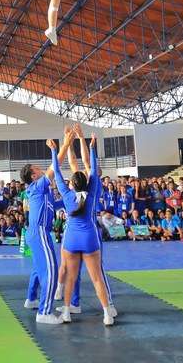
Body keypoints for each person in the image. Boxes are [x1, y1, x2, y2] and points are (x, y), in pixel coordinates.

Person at [51, 131, 115, 326]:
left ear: (71, 184)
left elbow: (56, 170)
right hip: (90, 238)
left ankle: (68, 312)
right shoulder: (93, 189)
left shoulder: (66, 194)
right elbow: (94, 169)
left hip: (71, 238)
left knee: (71, 277)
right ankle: (107, 314)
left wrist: (54, 150)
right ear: (87, 181)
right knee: (97, 279)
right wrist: (93, 146)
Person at [20, 127, 74, 324]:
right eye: (36, 168)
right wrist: (65, 144)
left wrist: (72, 200)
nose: (40, 168)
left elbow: (55, 204)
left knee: (37, 267)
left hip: (35, 232)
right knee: (51, 269)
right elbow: (55, 168)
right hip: (40, 231)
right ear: (33, 176)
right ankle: (44, 312)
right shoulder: (36, 186)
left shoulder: (42, 192)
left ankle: (31, 299)